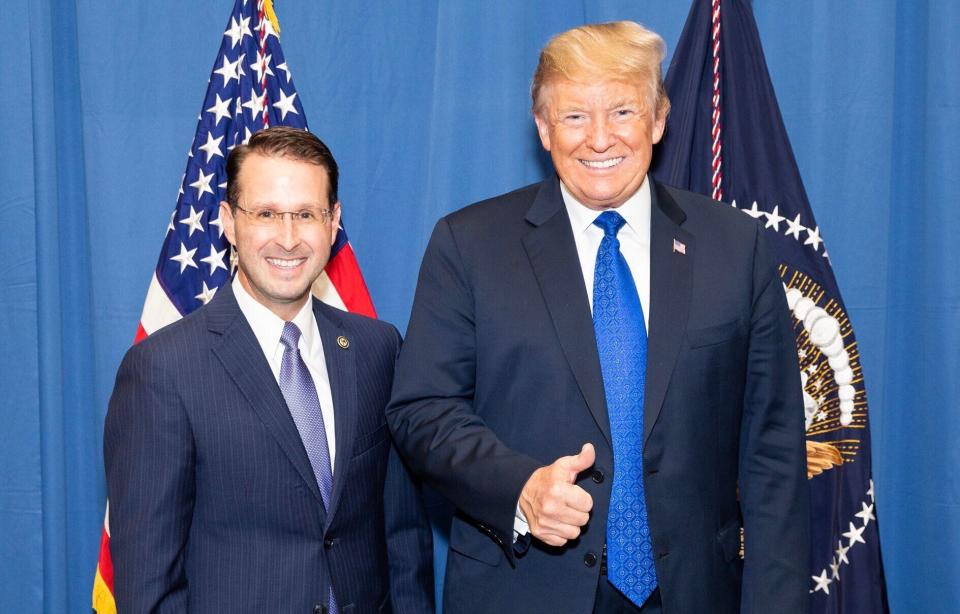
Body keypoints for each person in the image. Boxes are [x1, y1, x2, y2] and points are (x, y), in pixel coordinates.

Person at [387, 21, 809, 614]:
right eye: (575, 116)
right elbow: (421, 411)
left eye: (621, 112)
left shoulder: (735, 247)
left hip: (696, 593)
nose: (599, 139)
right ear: (542, 128)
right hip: (524, 589)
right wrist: (521, 488)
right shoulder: (470, 244)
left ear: (658, 120)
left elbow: (773, 452)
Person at [104, 126, 433, 613]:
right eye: (265, 214)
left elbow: (402, 538)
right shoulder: (161, 371)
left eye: (305, 214)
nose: (288, 237)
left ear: (333, 222)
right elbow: (149, 584)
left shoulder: (377, 349)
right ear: (228, 222)